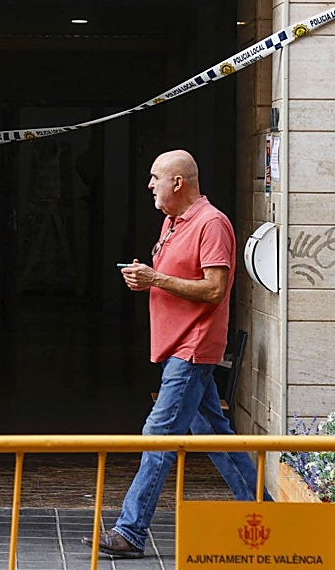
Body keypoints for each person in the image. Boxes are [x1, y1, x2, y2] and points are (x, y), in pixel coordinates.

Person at [92, 149, 267, 559]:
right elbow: (176, 278)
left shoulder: (212, 223)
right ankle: (266, 511)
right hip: (178, 346)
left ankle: (130, 531)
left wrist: (156, 278)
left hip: (192, 348)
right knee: (215, 435)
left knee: (159, 436)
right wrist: (147, 279)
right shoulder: (172, 222)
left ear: (178, 182)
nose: (149, 185)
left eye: (155, 177)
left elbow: (214, 289)